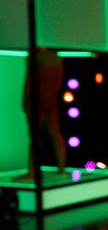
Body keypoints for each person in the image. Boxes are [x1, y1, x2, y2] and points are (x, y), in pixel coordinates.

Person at [19, 46, 67, 181]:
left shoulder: (35, 56)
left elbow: (30, 80)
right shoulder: (56, 58)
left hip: (36, 98)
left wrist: (25, 99)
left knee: (35, 136)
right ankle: (61, 168)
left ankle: (32, 171)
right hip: (50, 98)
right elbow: (58, 81)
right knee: (56, 133)